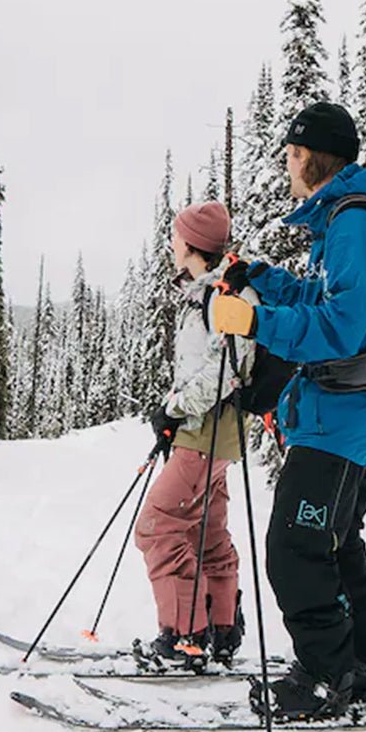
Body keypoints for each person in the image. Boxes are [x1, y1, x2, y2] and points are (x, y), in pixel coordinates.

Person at [212, 101, 366, 719]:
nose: (287, 166)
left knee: (293, 548)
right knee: (336, 543)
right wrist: (258, 278)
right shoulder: (341, 222)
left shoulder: (356, 225)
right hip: (341, 410)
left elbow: (342, 326)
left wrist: (255, 321)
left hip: (342, 415)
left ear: (311, 157)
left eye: (292, 155)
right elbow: (320, 297)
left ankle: (323, 676)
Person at [134, 200, 257, 668]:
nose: (172, 243)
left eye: (176, 236)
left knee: (159, 525)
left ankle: (185, 636)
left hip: (205, 431)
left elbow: (229, 370)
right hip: (210, 434)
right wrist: (172, 412)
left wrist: (174, 408)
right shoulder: (207, 291)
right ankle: (220, 628)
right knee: (205, 532)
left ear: (191, 244)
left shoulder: (224, 296)